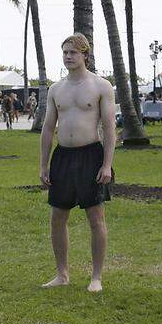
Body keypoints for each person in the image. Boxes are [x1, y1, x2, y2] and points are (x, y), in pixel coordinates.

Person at [39, 33, 115, 293]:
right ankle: (62, 274)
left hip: (90, 155)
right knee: (57, 217)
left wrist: (107, 164)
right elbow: (48, 129)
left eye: (73, 52)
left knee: (96, 217)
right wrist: (43, 165)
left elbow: (109, 127)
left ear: (85, 55)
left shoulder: (101, 86)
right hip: (63, 156)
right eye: (65, 52)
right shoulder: (56, 89)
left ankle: (96, 277)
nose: (68, 57)